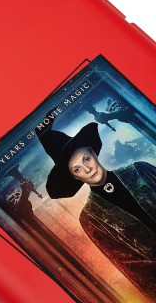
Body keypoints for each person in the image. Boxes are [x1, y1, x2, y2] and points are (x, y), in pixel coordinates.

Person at [37, 120, 156, 298]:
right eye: (77, 169)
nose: (87, 169)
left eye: (86, 158)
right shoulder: (91, 218)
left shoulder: (140, 169)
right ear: (74, 177)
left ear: (93, 152)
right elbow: (132, 267)